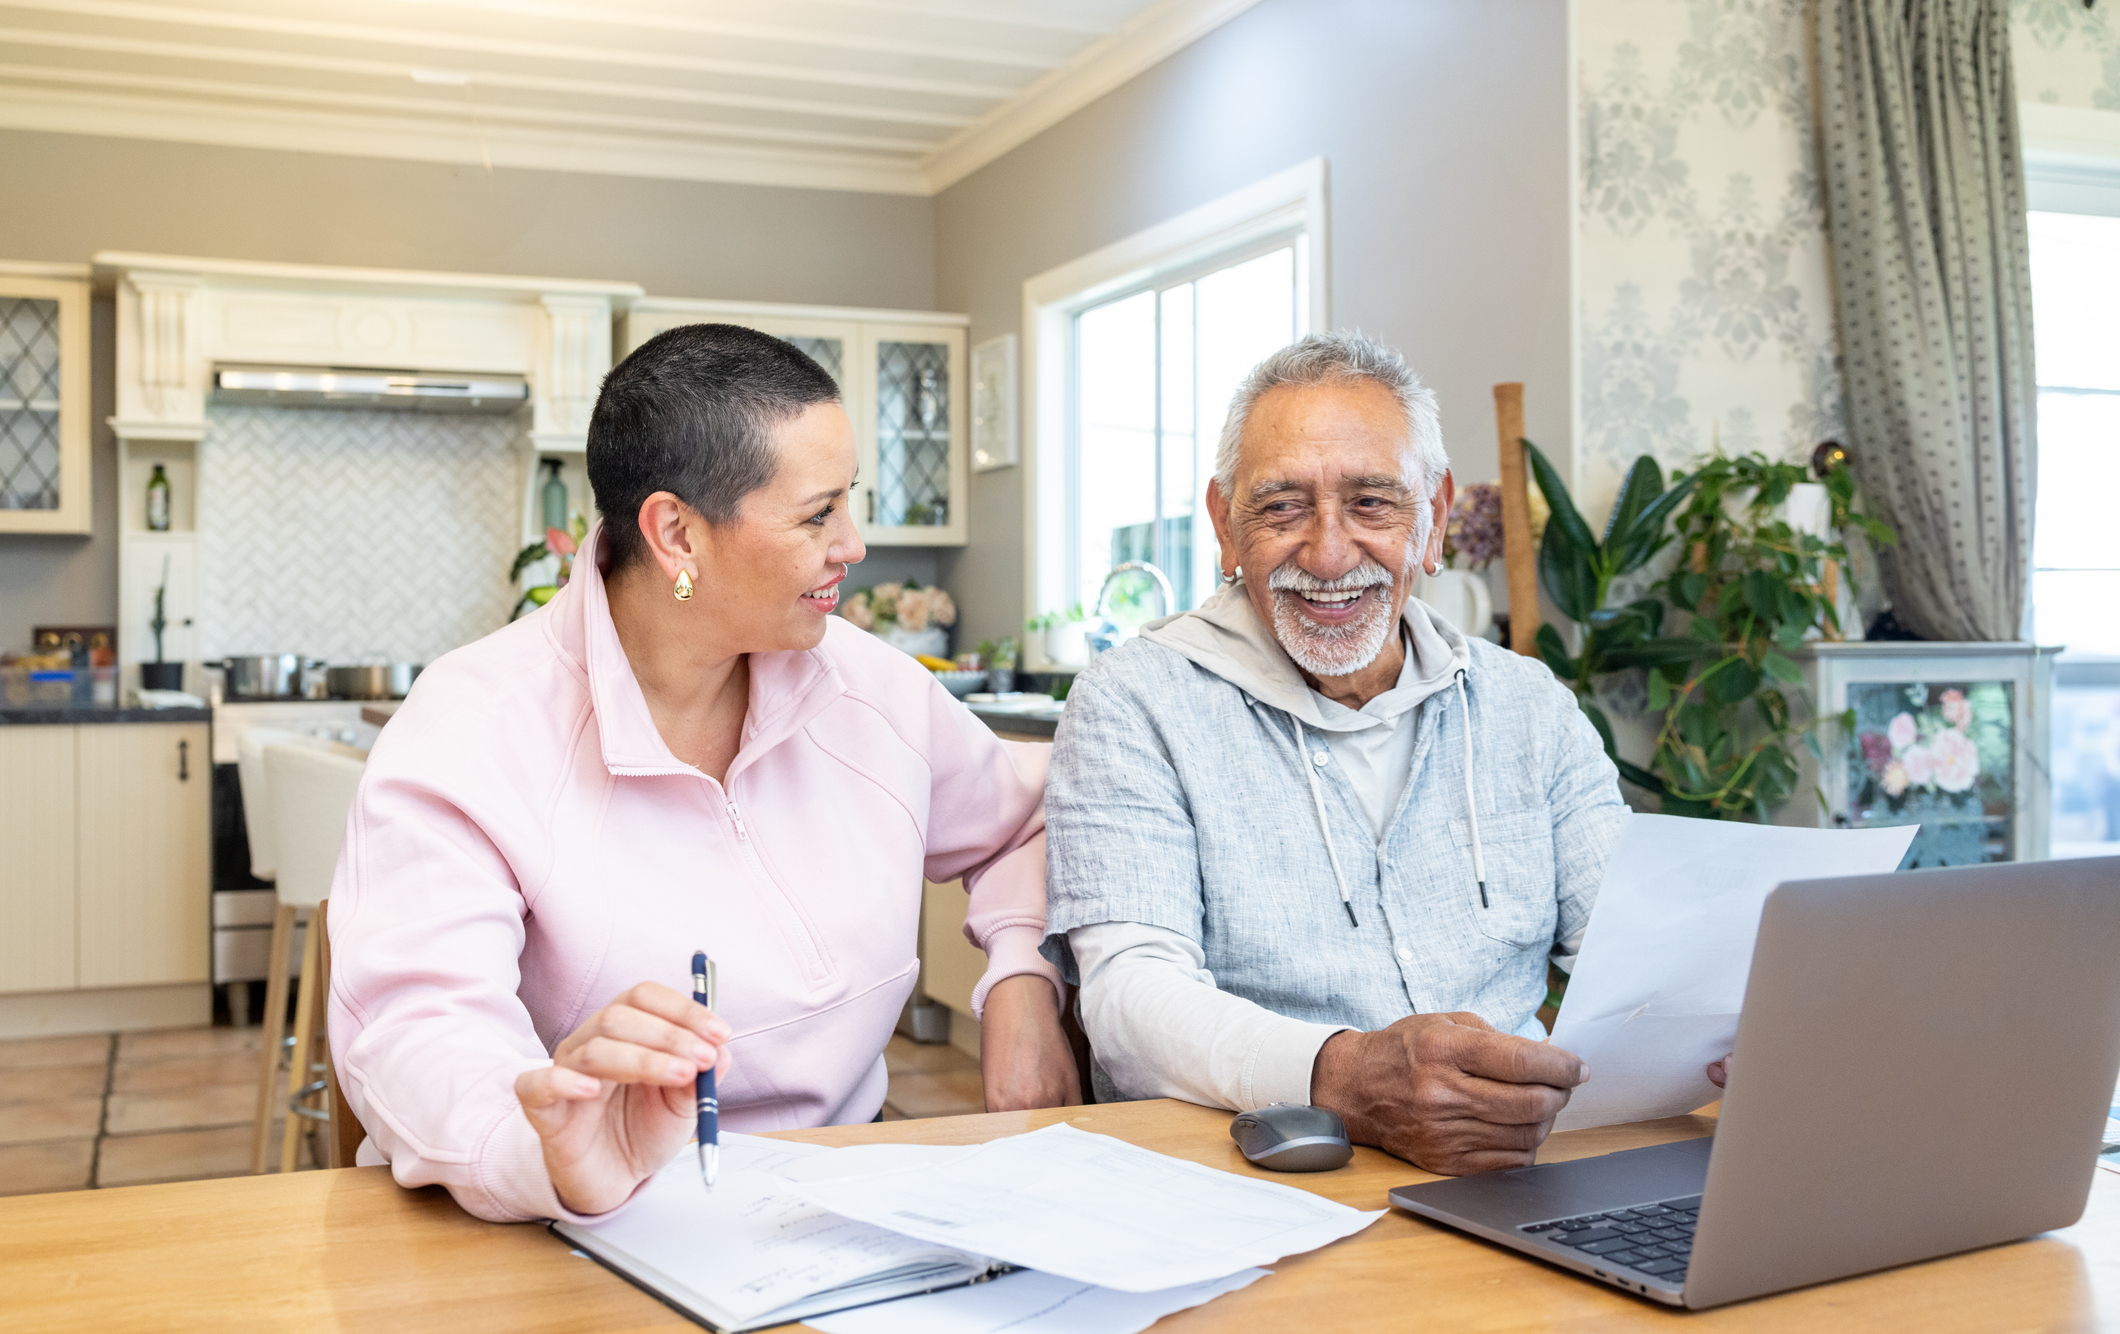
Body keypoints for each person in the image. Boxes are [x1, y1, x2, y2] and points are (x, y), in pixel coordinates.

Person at [328, 323, 1080, 1222]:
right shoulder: (472, 728)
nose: (855, 544)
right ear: (677, 533)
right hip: (571, 1226)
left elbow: (1023, 823)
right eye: (817, 513)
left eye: (850, 500)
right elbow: (417, 1029)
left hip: (836, 1209)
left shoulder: (872, 688)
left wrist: (1022, 975)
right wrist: (551, 1151)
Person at [1044, 331, 1722, 1177]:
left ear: (1434, 516)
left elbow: (1632, 956)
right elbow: (1129, 1003)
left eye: (1372, 503)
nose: (1329, 554)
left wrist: (1727, 1020)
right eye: (1282, 507)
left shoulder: (1530, 707)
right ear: (1224, 524)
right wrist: (1345, 1076)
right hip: (1259, 1184)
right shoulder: (1133, 701)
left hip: (1521, 1176)